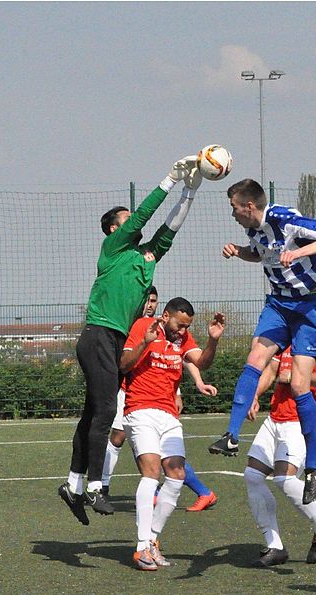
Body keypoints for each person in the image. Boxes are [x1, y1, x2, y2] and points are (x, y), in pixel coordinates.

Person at [58, 157, 202, 525]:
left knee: (93, 412)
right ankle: (94, 486)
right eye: (125, 218)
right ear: (112, 229)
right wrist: (170, 178)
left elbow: (170, 226)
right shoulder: (113, 250)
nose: (132, 220)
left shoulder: (146, 258)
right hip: (98, 336)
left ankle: (73, 486)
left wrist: (190, 190)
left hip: (112, 339)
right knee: (107, 411)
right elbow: (143, 218)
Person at [208, 178, 316, 505]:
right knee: (255, 357)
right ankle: (232, 435)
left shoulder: (286, 219)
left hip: (310, 305)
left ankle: (312, 466)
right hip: (278, 305)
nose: (233, 214)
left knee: (299, 386)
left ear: (249, 206)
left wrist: (298, 251)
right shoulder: (254, 231)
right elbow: (261, 255)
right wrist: (239, 252)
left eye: (234, 208)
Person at [121, 297, 224, 570]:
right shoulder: (144, 326)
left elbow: (201, 362)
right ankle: (142, 546)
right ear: (166, 316)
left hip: (169, 415)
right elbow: (123, 364)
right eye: (179, 325)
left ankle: (152, 540)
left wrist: (213, 340)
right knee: (152, 472)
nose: (182, 331)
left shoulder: (183, 337)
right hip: (140, 409)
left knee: (177, 475)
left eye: (186, 326)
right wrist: (144, 342)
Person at [101, 287, 218, 512]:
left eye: (154, 300)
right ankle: (105, 487)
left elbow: (191, 360)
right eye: (147, 300)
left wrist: (193, 383)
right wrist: (145, 342)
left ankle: (198, 493)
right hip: (137, 401)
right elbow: (124, 364)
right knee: (144, 460)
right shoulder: (139, 324)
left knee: (172, 468)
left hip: (163, 408)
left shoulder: (177, 334)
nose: (150, 304)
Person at [242, 327, 316, 568]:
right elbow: (272, 369)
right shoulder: (287, 333)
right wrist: (254, 395)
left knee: (284, 479)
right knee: (252, 475)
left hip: (304, 420)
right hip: (275, 418)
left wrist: (299, 378)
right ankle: (274, 545)